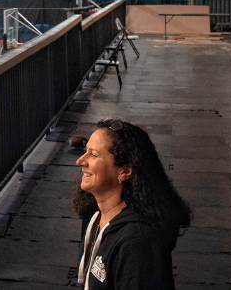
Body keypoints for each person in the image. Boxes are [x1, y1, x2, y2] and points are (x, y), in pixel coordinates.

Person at [74, 118, 191, 289]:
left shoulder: (137, 242)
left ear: (125, 171)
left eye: (94, 155)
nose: (80, 161)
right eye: (85, 151)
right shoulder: (95, 214)